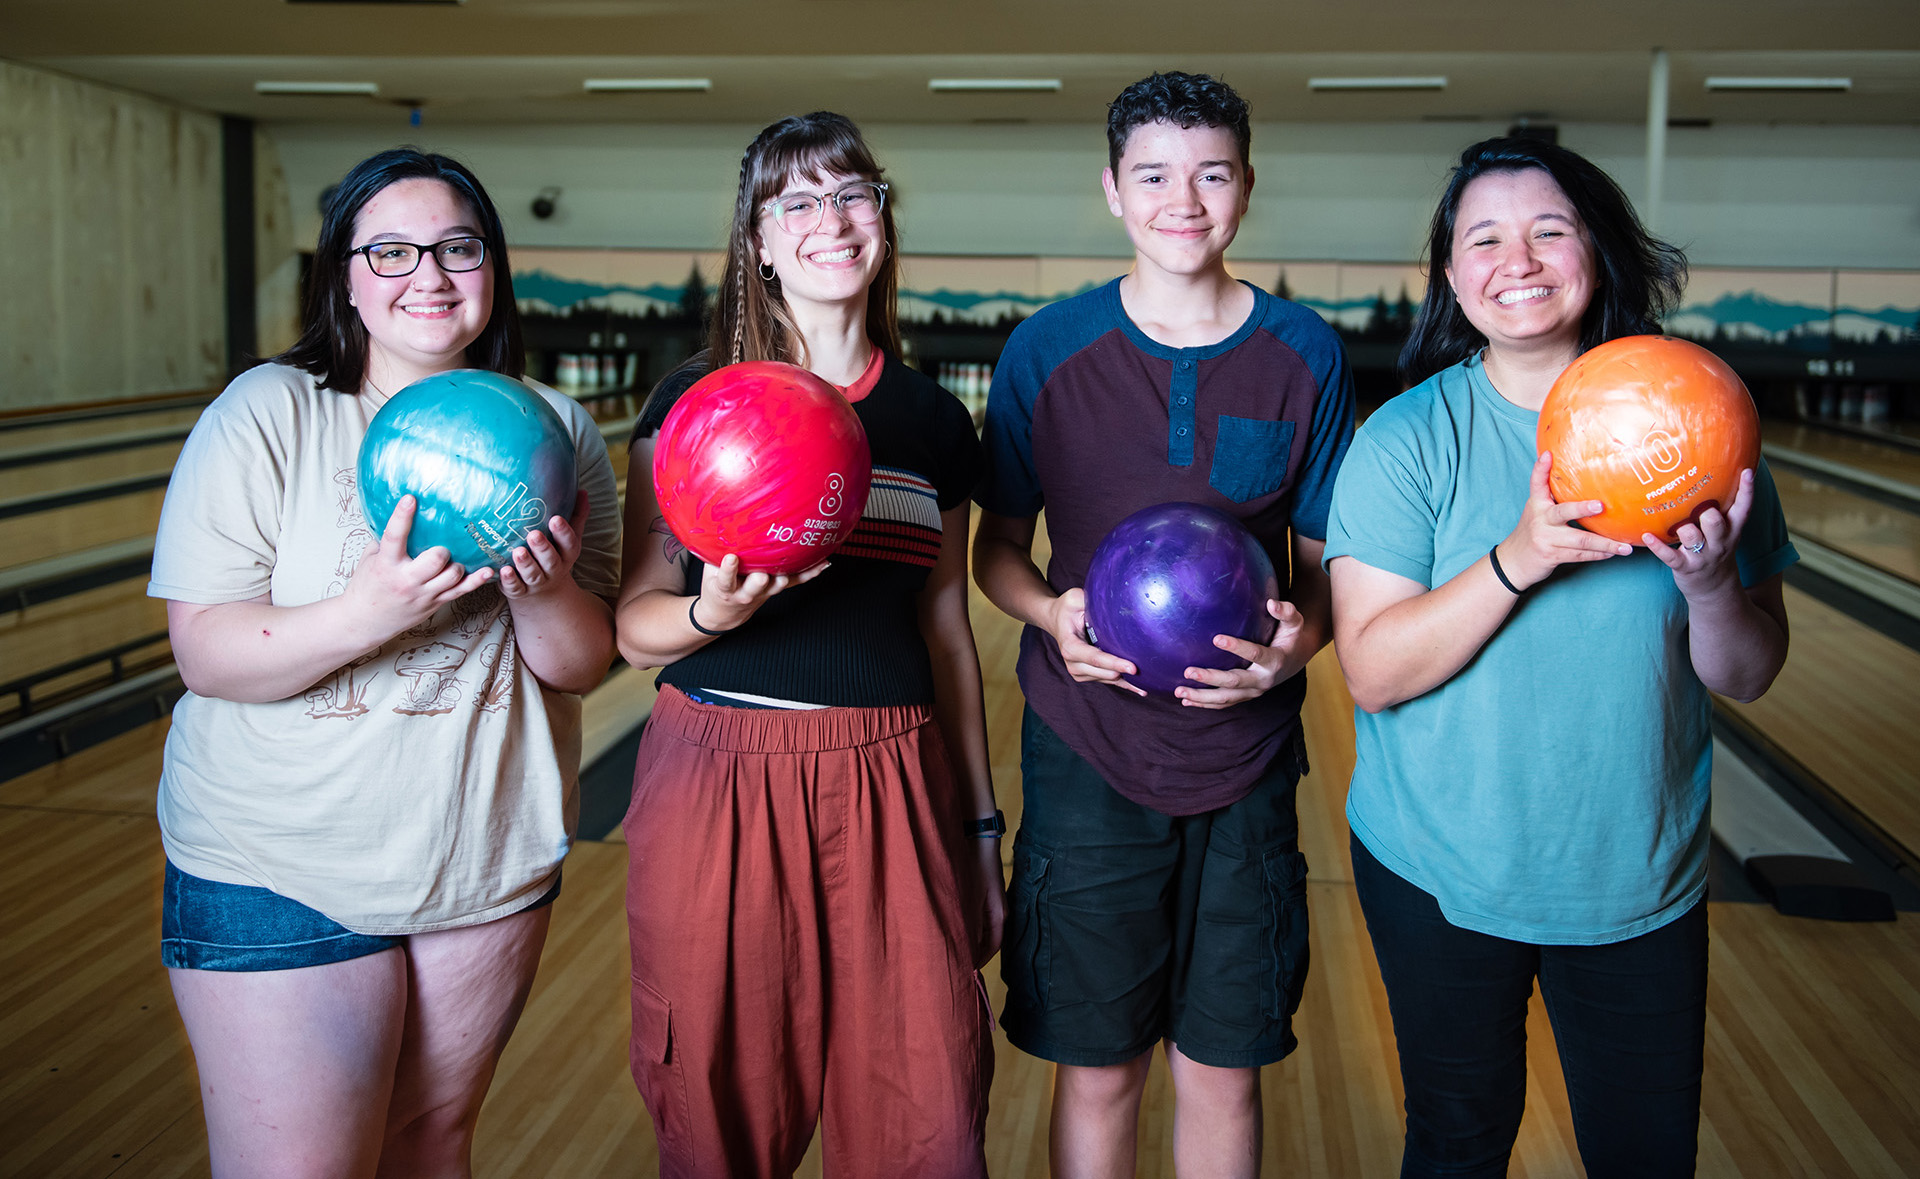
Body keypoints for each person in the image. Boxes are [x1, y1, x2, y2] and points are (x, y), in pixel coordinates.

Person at [1323, 136, 1795, 1176]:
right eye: (1482, 237)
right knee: (1457, 1136)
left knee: (1645, 1156)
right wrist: (1523, 554)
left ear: (1598, 252)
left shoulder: (1700, 419)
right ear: (1451, 274)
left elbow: (1749, 672)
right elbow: (1373, 671)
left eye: (1549, 230)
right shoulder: (1408, 441)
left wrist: (1709, 584)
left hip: (1636, 871)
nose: (1518, 259)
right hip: (1435, 865)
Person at [149, 147, 621, 1178]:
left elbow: (582, 664)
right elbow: (208, 656)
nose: (430, 274)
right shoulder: (267, 413)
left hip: (483, 866)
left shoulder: (561, 429)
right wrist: (368, 610)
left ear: (492, 266)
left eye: (458, 246)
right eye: (392, 250)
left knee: (430, 1147)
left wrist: (540, 591)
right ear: (345, 276)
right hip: (274, 864)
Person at [973, 72, 1354, 1177]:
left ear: (1244, 188)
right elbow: (996, 549)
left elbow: (1324, 570)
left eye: (1211, 173)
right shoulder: (1047, 348)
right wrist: (1051, 611)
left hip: (1245, 755)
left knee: (1222, 1068)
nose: (1182, 199)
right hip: (1088, 749)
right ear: (1111, 190)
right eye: (1153, 174)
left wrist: (1299, 643)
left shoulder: (1305, 353)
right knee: (1098, 1069)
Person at [614, 111, 1001, 1179]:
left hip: (893, 774)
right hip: (717, 776)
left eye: (852, 194)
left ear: (882, 222)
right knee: (715, 1112)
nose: (829, 221)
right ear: (759, 240)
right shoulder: (694, 403)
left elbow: (947, 632)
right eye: (797, 202)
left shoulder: (931, 420)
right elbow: (635, 625)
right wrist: (712, 615)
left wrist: (978, 828)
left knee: (927, 1112)